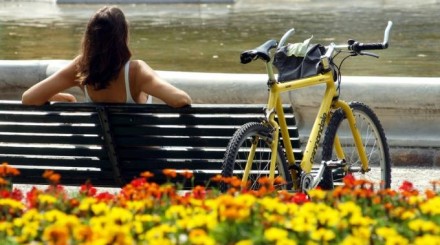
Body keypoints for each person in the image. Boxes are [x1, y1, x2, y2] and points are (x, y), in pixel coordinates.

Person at [22, 6, 192, 108]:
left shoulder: (81, 67)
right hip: (144, 164)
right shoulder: (136, 71)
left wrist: (65, 98)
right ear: (123, 35)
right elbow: (181, 100)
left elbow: (29, 98)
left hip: (104, 163)